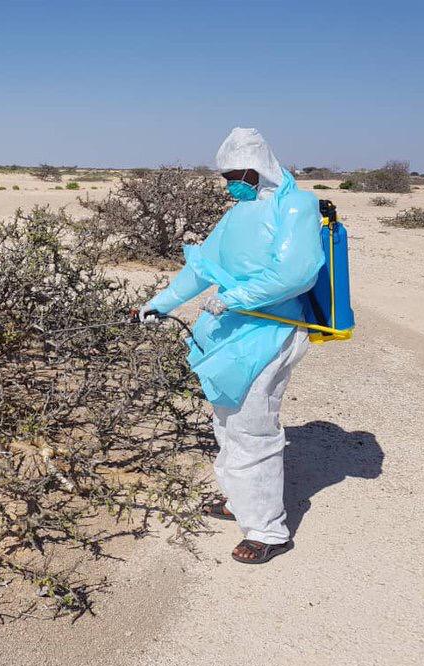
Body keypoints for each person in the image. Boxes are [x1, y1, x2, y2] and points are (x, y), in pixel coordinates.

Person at [139, 127, 324, 564]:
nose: (231, 183)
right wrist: (158, 304)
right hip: (230, 331)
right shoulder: (236, 214)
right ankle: (241, 502)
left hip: (272, 328)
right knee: (226, 421)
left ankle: (268, 530)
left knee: (253, 426)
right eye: (226, 175)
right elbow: (202, 269)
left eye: (237, 173)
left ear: (260, 167)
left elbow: (296, 273)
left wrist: (236, 297)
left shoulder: (295, 205)